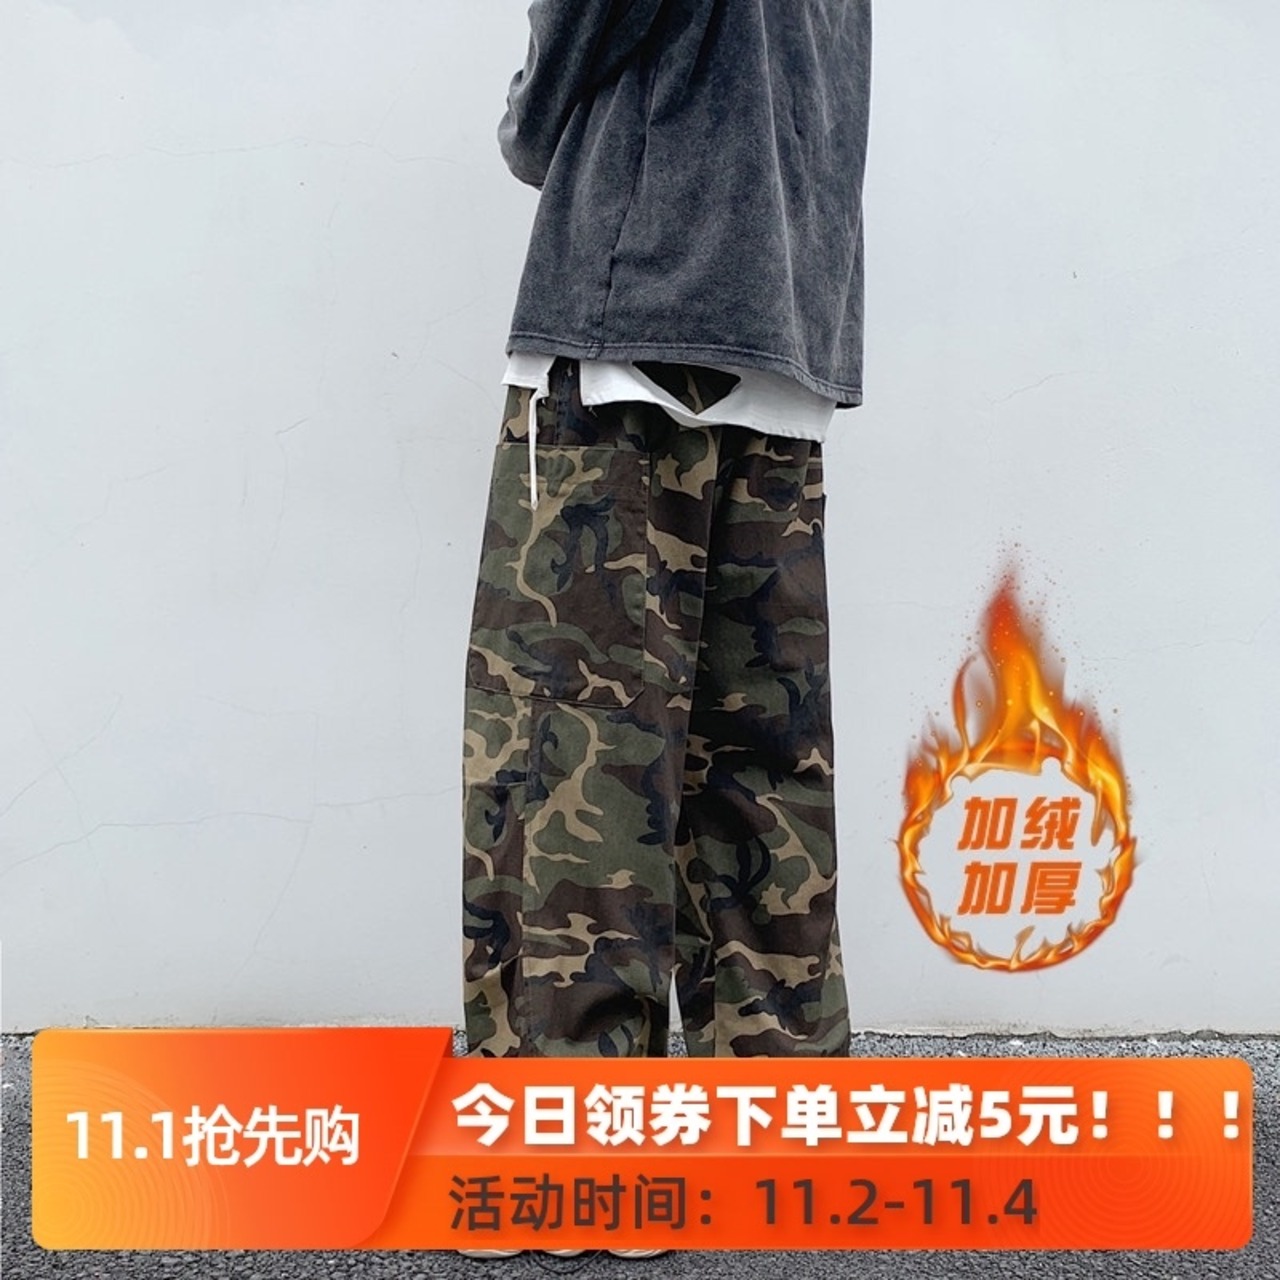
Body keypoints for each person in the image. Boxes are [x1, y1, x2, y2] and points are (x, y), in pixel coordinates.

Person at [462, 0, 872, 1061]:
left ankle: (571, 1120)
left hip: (640, 297)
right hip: (786, 310)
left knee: (574, 741)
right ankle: (783, 1106)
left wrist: (530, 119)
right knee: (758, 762)